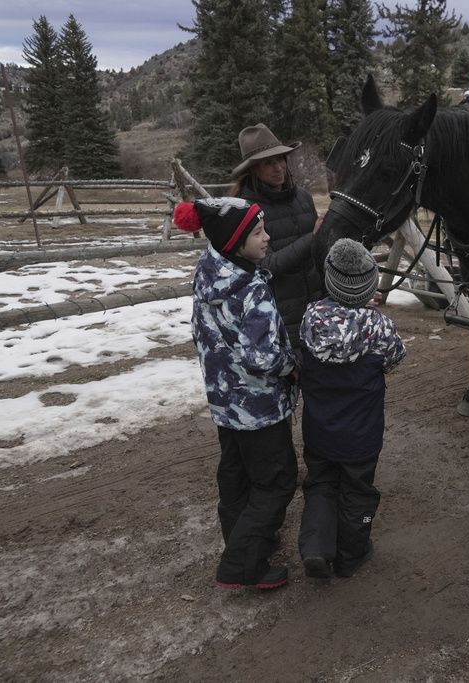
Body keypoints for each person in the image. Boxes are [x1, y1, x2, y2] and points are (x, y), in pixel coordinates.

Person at [173, 196, 299, 590]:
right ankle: (245, 565)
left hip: (225, 400)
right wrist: (293, 366)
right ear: (235, 239)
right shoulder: (250, 289)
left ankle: (245, 536)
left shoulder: (211, 268)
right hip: (259, 406)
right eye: (258, 232)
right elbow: (262, 356)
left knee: (237, 474)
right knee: (276, 480)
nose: (268, 238)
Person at [297, 238, 407, 579]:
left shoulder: (311, 317)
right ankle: (350, 555)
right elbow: (395, 357)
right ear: (370, 286)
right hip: (361, 434)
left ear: (329, 281)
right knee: (357, 491)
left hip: (319, 429)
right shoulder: (380, 327)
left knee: (321, 483)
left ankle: (316, 547)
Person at [231, 123, 325, 345]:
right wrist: (313, 237)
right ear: (253, 169)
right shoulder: (245, 209)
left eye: (281, 159)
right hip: (279, 321)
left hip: (319, 312)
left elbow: (319, 258)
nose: (278, 167)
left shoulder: (303, 197)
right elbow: (267, 266)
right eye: (268, 162)